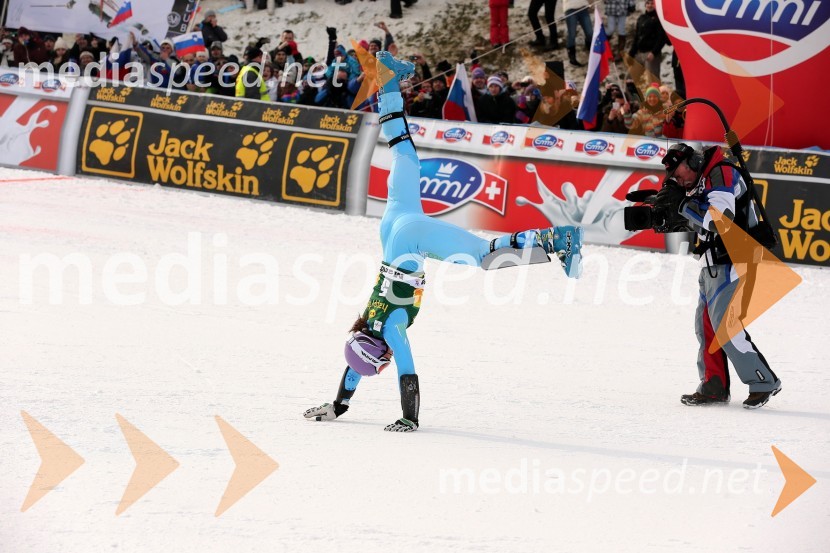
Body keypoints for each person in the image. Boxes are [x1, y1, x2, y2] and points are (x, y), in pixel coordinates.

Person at [303, 52, 584, 432]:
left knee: (485, 257)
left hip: (412, 241)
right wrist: (340, 405)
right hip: (391, 229)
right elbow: (356, 363)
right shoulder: (366, 326)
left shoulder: (389, 329)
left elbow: (406, 370)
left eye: (379, 362)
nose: (384, 363)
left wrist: (409, 416)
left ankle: (556, 239)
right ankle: (388, 82)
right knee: (404, 153)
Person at [654, 144, 782, 409]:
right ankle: (714, 387)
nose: (678, 181)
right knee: (707, 327)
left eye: (678, 175)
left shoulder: (720, 173)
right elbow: (698, 220)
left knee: (725, 327)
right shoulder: (703, 180)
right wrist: (661, 211)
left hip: (734, 259)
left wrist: (682, 204)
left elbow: (720, 221)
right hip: (713, 263)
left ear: (690, 161)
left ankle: (763, 381)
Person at [627, 0, 667, 85]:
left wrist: (654, 52)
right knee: (630, 79)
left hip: (651, 54)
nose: (649, 5)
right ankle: (633, 98)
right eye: (648, 3)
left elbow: (662, 38)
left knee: (652, 81)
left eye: (652, 3)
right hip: (639, 53)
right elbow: (637, 37)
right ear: (645, 5)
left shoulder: (658, 19)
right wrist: (631, 54)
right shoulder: (641, 18)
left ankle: (656, 98)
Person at [563, 0, 592, 67]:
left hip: (583, 7)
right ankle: (572, 59)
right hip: (570, 8)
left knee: (590, 32)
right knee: (572, 34)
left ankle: (590, 49)